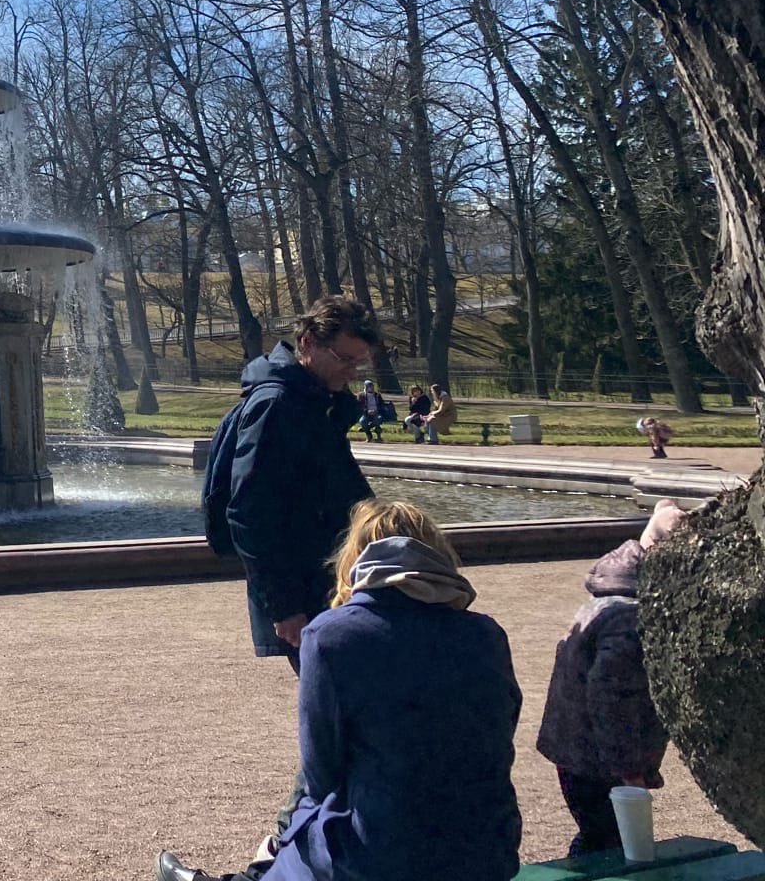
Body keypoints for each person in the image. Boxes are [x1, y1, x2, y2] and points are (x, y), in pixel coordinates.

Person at [160, 500, 523, 881]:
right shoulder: (486, 634)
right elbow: (499, 732)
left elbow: (321, 773)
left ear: (354, 557)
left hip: (384, 857)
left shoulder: (331, 635)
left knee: (303, 834)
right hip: (487, 850)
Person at [201, 296, 378, 871]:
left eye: (360, 363)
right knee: (350, 715)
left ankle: (308, 845)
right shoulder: (279, 404)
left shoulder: (313, 400)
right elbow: (248, 513)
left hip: (333, 581)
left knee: (353, 712)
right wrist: (284, 607)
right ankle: (283, 848)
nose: (353, 373)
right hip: (306, 593)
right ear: (307, 344)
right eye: (346, 359)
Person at [537, 500, 689, 854]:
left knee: (600, 837)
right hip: (596, 760)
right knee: (612, 844)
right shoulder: (629, 615)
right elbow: (611, 699)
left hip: (577, 749)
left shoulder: (612, 593)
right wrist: (629, 771)